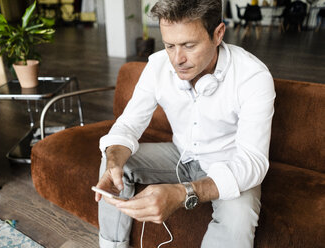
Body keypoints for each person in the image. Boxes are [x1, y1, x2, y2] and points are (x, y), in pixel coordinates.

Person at [94, 0, 276, 247]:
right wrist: (114, 160)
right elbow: (127, 125)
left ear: (218, 34)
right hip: (180, 154)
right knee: (112, 159)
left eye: (189, 45)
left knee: (239, 219)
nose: (177, 59)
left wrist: (183, 193)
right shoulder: (158, 65)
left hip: (228, 164)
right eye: (170, 45)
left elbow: (253, 162)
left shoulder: (253, 76)